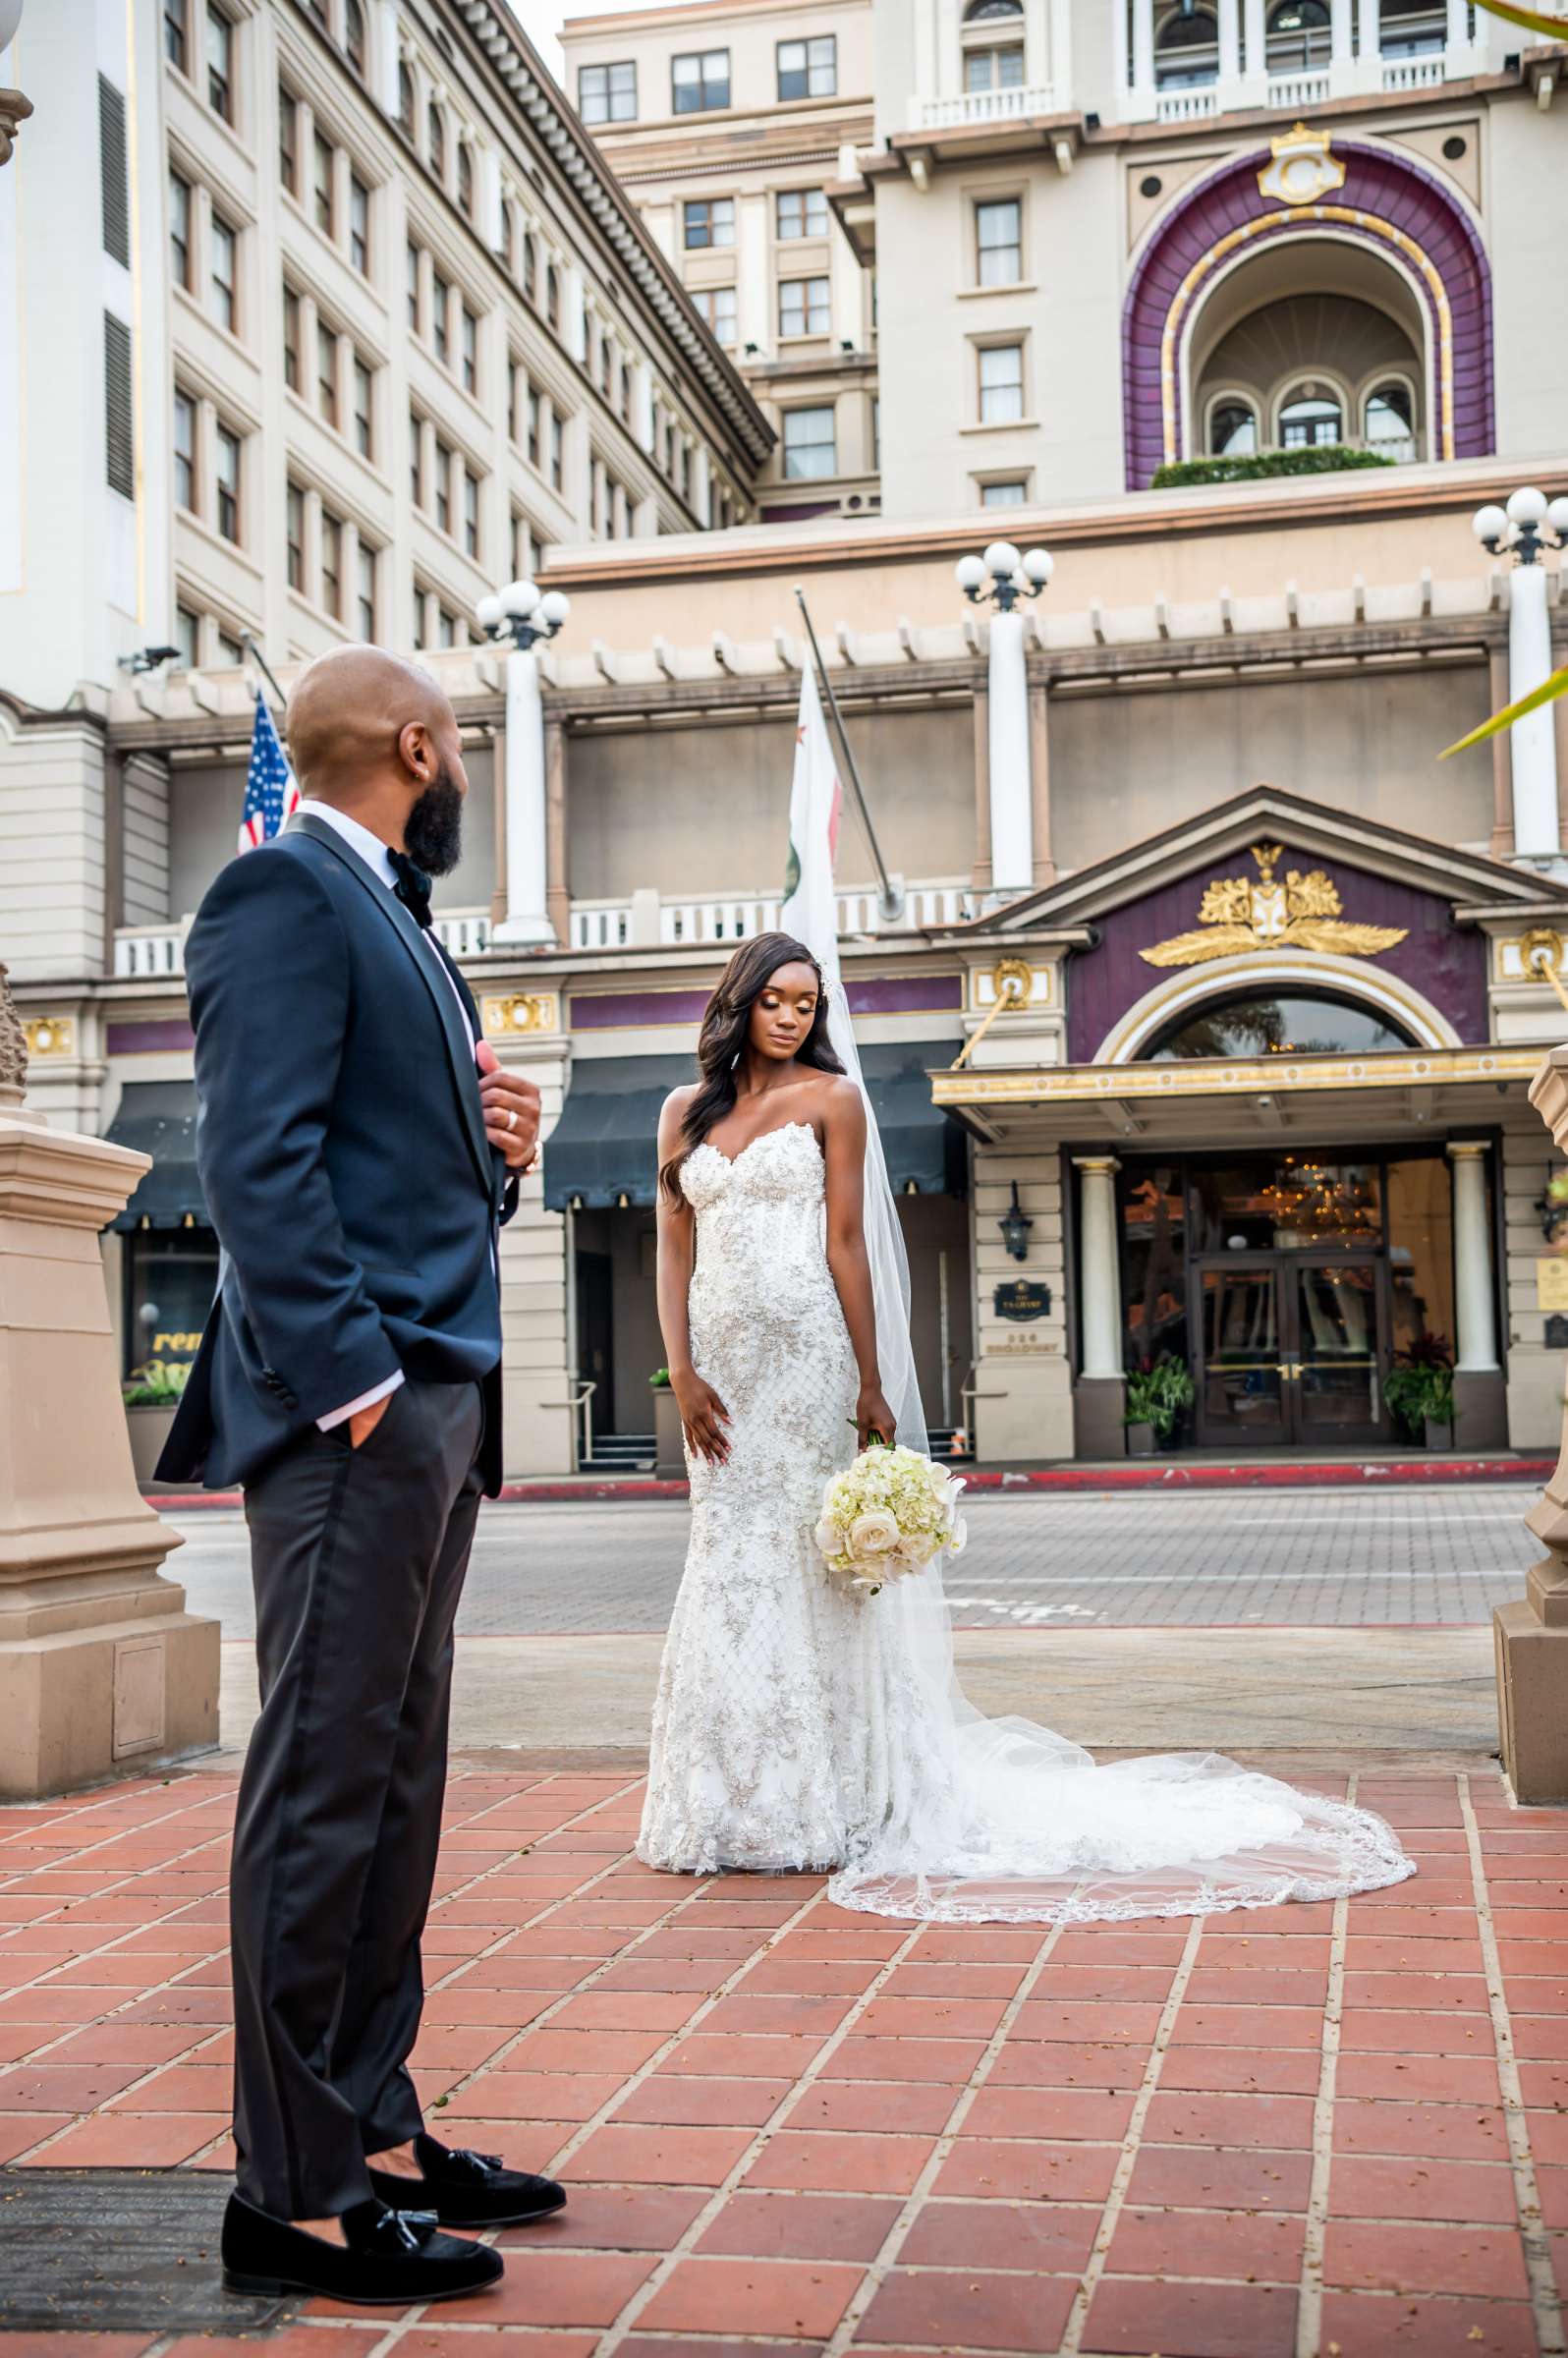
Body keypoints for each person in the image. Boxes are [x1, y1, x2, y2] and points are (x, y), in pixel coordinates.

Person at [638, 931, 1415, 1923]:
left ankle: (833, 1797)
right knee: (728, 1564)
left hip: (809, 1365)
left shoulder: (834, 1100)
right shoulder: (681, 1115)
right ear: (739, 1001)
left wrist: (873, 1379)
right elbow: (672, 1250)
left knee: (812, 1568)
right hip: (726, 1375)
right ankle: (727, 1800)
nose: (792, 1018)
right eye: (777, 1000)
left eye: (807, 1003)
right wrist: (685, 1376)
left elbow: (845, 1245)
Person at [158, 647, 562, 2307]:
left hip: (431, 1404)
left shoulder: (393, 914)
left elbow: (384, 1160)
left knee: (395, 1784)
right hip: (359, 1422)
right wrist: (362, 1394)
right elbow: (249, 1163)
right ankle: (296, 2192)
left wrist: (503, 1155)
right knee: (324, 1788)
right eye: (457, 746)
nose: (461, 769)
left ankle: (374, 2125)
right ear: (416, 746)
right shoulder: (279, 895)